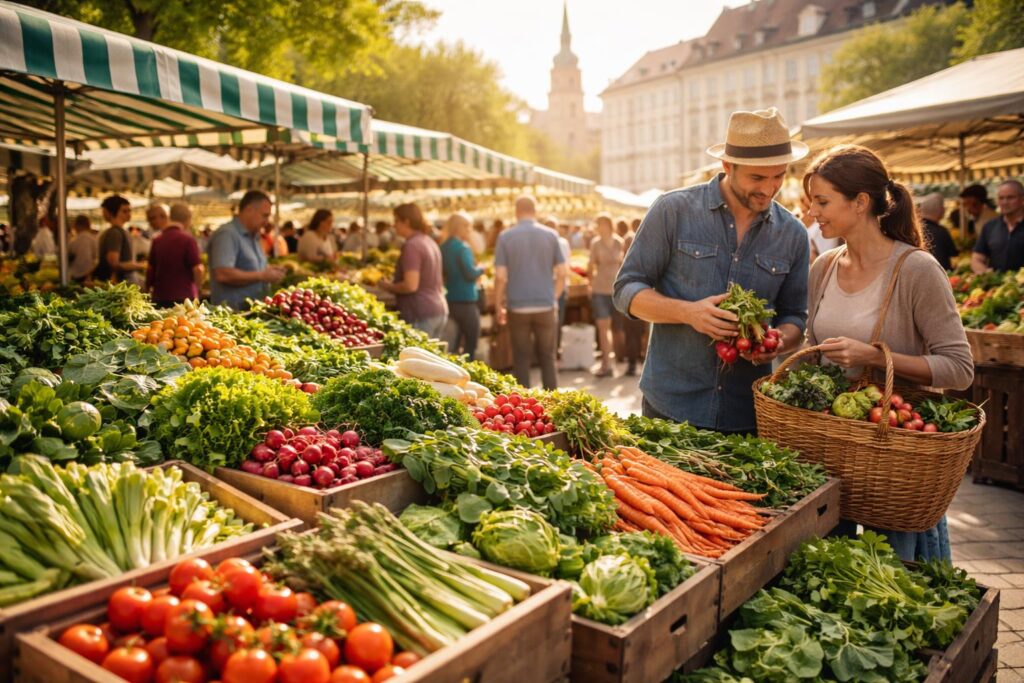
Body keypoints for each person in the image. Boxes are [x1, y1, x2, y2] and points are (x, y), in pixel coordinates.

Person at [803, 144, 973, 561]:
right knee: (831, 573)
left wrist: (876, 357)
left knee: (895, 579)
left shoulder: (917, 269)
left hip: (893, 454)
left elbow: (960, 368)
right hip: (832, 449)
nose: (813, 213)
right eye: (811, 202)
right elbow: (814, 348)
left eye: (822, 201)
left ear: (860, 202)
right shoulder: (823, 268)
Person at [614, 108, 810, 433]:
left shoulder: (793, 234)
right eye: (757, 178)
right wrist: (689, 313)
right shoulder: (673, 210)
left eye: (779, 176)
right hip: (671, 406)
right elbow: (626, 291)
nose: (770, 188)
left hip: (746, 414)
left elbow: (796, 317)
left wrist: (776, 341)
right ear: (727, 166)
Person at [494, 196, 566, 390]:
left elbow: (500, 276)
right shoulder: (551, 235)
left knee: (521, 358)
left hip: (517, 306)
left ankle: (523, 406)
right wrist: (554, 297)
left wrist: (498, 305)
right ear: (535, 211)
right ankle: (554, 403)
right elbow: (562, 272)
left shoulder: (505, 237)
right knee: (547, 356)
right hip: (545, 304)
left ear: (516, 212)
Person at [208, 190, 286, 310]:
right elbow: (223, 274)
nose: (267, 221)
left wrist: (270, 271)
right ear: (249, 209)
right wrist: (261, 275)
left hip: (252, 312)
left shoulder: (254, 236)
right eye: (264, 215)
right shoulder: (227, 234)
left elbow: (251, 268)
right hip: (233, 316)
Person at [378, 203, 448, 337]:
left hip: (421, 313)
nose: (394, 225)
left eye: (396, 221)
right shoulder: (428, 241)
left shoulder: (412, 246)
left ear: (407, 221)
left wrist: (387, 286)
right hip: (438, 309)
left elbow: (411, 286)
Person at [440, 212, 484, 360]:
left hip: (450, 298)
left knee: (454, 342)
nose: (469, 230)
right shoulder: (463, 248)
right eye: (467, 227)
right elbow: (470, 274)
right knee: (471, 342)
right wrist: (482, 268)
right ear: (460, 227)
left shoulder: (443, 247)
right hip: (466, 300)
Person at [147, 203, 204, 306]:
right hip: (184, 298)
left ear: (170, 217)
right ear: (188, 219)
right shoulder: (188, 240)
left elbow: (150, 269)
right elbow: (198, 269)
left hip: (160, 297)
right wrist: (198, 290)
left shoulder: (157, 240)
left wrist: (147, 290)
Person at [589, 213, 624, 377]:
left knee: (617, 329)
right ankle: (605, 364)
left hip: (616, 290)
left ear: (610, 225)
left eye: (603, 224)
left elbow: (624, 265)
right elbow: (590, 265)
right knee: (603, 327)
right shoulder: (595, 244)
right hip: (599, 289)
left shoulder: (619, 242)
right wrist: (590, 284)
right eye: (599, 224)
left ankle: (618, 361)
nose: (601, 227)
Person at [971, 179, 1024, 273]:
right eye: (1001, 198)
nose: (1005, 202)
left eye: (1010, 198)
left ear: (1022, 199)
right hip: (997, 286)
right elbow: (976, 258)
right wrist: (985, 274)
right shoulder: (989, 227)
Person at [94, 195, 146, 282]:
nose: (129, 214)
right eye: (124, 211)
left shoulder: (120, 232)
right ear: (110, 212)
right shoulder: (114, 233)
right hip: (120, 284)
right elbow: (114, 263)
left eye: (129, 211)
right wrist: (141, 265)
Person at [617, 222, 647, 376]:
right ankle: (637, 361)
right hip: (643, 296)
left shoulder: (631, 240)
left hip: (637, 298)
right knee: (639, 333)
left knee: (632, 332)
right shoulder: (646, 238)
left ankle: (633, 363)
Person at [916, 193, 957, 270]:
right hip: (941, 273)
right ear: (939, 210)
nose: (944, 210)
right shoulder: (942, 232)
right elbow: (954, 254)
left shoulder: (915, 230)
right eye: (942, 207)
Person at [800, 194, 841, 262]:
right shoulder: (806, 226)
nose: (802, 216)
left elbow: (825, 260)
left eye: (804, 211)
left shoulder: (822, 229)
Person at [67, 215, 98, 283]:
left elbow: (68, 257)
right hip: (89, 275)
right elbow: (96, 258)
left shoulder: (73, 241)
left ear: (77, 225)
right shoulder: (93, 239)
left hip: (74, 276)